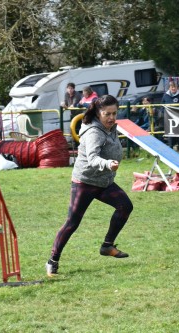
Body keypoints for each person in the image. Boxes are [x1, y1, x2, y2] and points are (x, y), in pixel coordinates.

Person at [46, 95, 133, 277]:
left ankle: (107, 246)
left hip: (104, 182)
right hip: (85, 182)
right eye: (107, 114)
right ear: (98, 113)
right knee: (72, 223)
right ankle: (52, 260)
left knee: (125, 206)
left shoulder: (111, 128)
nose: (111, 117)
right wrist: (108, 164)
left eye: (114, 113)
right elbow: (93, 159)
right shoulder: (94, 132)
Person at [162, 81, 179, 151]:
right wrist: (164, 113)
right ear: (169, 88)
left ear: (177, 88)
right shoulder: (165, 96)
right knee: (170, 132)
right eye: (172, 87)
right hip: (169, 117)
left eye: (174, 87)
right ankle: (170, 147)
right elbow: (162, 105)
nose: (173, 88)